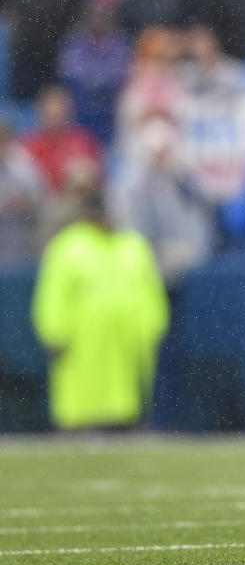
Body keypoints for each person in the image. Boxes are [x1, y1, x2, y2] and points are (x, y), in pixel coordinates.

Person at [31, 176, 169, 431]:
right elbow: (53, 295)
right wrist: (53, 333)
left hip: (126, 342)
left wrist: (153, 327)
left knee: (125, 402)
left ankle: (126, 426)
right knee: (81, 398)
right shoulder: (68, 246)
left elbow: (150, 291)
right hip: (82, 342)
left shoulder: (133, 245)